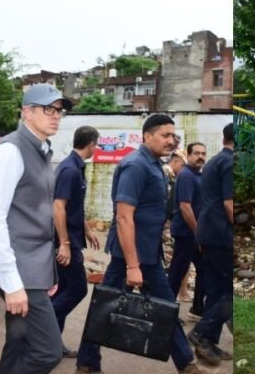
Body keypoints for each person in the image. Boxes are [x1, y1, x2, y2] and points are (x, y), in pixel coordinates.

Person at [84, 114, 205, 374]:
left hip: (146, 252)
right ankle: (187, 365)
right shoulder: (136, 166)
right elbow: (125, 218)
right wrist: (132, 265)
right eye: (164, 135)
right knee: (109, 307)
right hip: (133, 255)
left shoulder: (154, 165)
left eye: (173, 136)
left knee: (154, 308)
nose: (171, 140)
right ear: (146, 136)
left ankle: (87, 363)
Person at [0, 83, 69, 374]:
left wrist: (47, 273)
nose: (56, 115)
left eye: (59, 110)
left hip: (32, 269)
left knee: (18, 344)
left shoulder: (41, 149)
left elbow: (34, 216)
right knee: (47, 352)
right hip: (19, 272)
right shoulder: (9, 151)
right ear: (26, 112)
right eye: (49, 109)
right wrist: (12, 283)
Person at [49, 126, 101, 368]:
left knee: (63, 290)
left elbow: (73, 207)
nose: (96, 148)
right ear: (91, 143)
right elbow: (59, 207)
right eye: (96, 144)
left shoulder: (75, 167)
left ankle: (52, 342)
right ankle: (41, 325)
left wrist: (88, 230)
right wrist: (65, 244)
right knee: (78, 288)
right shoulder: (70, 170)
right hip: (66, 242)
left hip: (72, 238)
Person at [188, 123, 234, 365]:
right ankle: (200, 333)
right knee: (230, 292)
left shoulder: (214, 161)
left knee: (216, 290)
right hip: (221, 234)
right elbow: (229, 203)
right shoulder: (230, 162)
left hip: (207, 233)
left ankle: (208, 342)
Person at [168, 143, 207, 317]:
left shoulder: (199, 175)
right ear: (188, 156)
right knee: (178, 271)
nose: (200, 156)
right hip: (186, 232)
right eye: (196, 153)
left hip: (195, 232)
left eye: (203, 154)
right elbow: (185, 207)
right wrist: (198, 233)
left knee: (204, 267)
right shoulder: (186, 175)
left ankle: (198, 307)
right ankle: (166, 310)